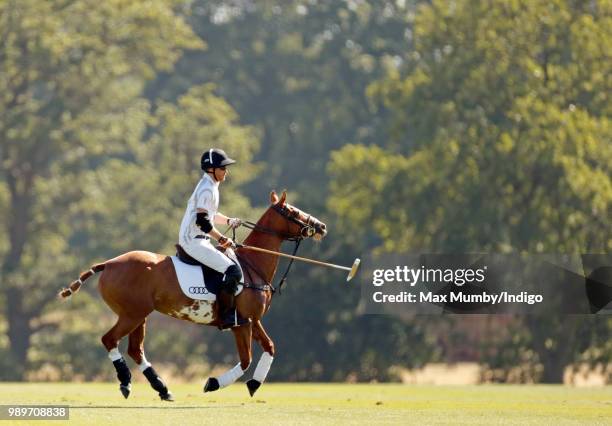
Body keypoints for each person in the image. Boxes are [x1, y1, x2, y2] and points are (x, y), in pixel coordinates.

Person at [178, 148, 244, 327]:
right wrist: (221, 239)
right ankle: (226, 315)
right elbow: (203, 222)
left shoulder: (211, 185)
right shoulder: (207, 189)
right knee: (234, 271)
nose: (226, 171)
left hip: (199, 239)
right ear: (211, 169)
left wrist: (229, 220)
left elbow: (211, 215)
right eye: (222, 168)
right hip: (193, 241)